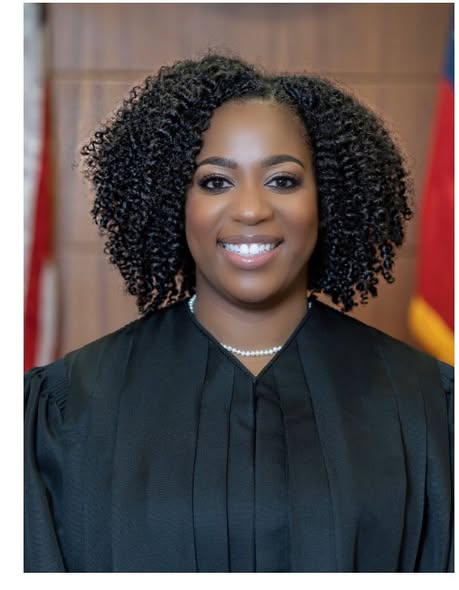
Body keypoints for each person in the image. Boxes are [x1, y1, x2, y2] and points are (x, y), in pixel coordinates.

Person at [24, 53, 453, 572]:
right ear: (173, 201)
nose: (251, 209)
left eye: (283, 180)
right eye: (215, 182)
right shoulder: (66, 409)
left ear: (327, 198)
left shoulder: (426, 407)